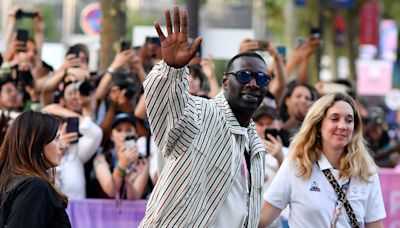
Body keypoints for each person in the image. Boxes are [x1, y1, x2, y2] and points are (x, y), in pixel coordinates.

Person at [140, 7, 271, 227]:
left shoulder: (255, 144)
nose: (253, 83)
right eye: (244, 75)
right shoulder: (200, 113)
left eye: (261, 78)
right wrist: (171, 70)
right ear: (225, 81)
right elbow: (165, 109)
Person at [259, 93, 386, 228]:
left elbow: (375, 224)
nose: (342, 126)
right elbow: (262, 219)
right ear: (318, 124)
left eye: (349, 120)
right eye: (334, 119)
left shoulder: (366, 172)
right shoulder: (296, 165)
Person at [0, 110, 71, 227]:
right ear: (36, 143)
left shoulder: (12, 182)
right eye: (56, 138)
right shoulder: (34, 187)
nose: (62, 146)